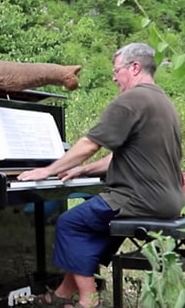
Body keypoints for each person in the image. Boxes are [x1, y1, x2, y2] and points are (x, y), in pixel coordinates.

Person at [17, 42, 184, 308]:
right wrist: (83, 170)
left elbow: (90, 144)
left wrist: (48, 170)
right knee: (93, 229)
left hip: (138, 199)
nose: (114, 77)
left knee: (70, 223)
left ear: (135, 67)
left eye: (116, 70)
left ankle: (88, 300)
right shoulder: (162, 101)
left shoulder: (132, 99)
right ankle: (60, 294)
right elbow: (119, 156)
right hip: (167, 200)